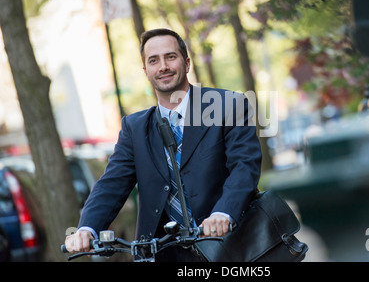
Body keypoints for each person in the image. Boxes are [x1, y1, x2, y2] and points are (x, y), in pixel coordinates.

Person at [64, 28, 262, 261]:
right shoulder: (134, 127)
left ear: (186, 64)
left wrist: (223, 212)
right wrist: (87, 228)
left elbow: (245, 166)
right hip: (164, 252)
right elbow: (111, 184)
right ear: (145, 70)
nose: (163, 67)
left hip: (227, 246)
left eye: (170, 57)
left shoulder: (227, 105)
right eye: (153, 60)